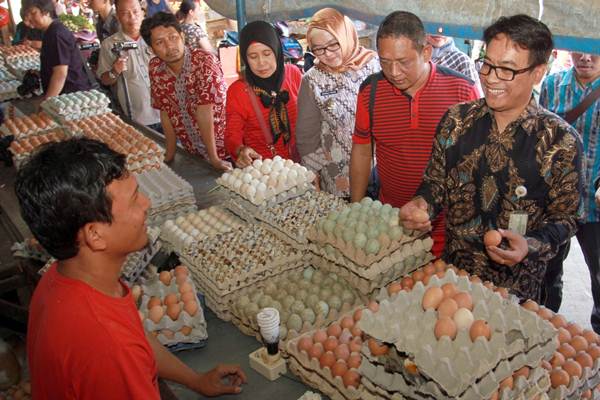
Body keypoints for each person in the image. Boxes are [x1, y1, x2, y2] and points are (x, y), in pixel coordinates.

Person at [16, 138, 246, 398]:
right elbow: (123, 344)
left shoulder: (65, 277)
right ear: (95, 235)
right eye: (135, 198)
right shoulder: (108, 347)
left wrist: (194, 380)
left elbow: (137, 335)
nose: (147, 203)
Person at [400, 14, 583, 302]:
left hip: (519, 291)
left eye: (507, 70)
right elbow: (434, 183)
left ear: (538, 72)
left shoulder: (560, 141)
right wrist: (422, 204)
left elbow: (566, 218)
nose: (491, 77)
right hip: (455, 278)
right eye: (487, 64)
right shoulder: (456, 121)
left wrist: (531, 244)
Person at [349, 11, 479, 256]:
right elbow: (362, 149)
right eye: (385, 62)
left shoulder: (462, 91)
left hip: (448, 231)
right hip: (392, 226)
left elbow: (474, 164)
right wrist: (356, 210)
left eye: (404, 62)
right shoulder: (371, 92)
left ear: (426, 52)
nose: (394, 72)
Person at [540, 51, 600, 329]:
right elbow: (539, 137)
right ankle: (545, 331)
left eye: (594, 51)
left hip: (595, 205)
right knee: (547, 274)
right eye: (580, 50)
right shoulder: (552, 85)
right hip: (556, 202)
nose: (586, 58)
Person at [295, 8, 379, 198]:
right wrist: (312, 172)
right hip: (339, 176)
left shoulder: (374, 67)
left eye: (334, 44)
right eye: (318, 48)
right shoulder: (313, 80)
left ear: (345, 35)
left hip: (379, 170)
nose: (328, 54)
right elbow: (307, 135)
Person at [142, 12, 230, 168]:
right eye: (160, 42)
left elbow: (204, 111)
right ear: (151, 49)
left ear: (182, 36)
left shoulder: (204, 62)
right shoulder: (155, 68)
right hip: (192, 152)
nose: (170, 46)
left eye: (173, 37)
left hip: (225, 151)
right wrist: (169, 154)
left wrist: (214, 159)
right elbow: (165, 111)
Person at [225, 20, 303, 168]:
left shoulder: (293, 74)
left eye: (267, 54)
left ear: (277, 51)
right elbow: (231, 134)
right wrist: (240, 149)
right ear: (245, 58)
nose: (261, 63)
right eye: (253, 57)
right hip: (263, 173)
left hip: (300, 167)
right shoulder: (238, 91)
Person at [97, 0, 161, 130]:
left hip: (169, 112)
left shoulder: (159, 36)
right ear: (117, 16)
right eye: (125, 13)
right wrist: (114, 71)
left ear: (143, 12)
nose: (132, 17)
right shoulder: (109, 45)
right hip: (138, 117)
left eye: (136, 12)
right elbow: (104, 79)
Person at [22, 0, 91, 98]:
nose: (30, 18)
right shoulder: (50, 31)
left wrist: (46, 102)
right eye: (27, 14)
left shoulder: (56, 33)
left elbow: (60, 74)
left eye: (33, 13)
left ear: (46, 11)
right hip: (66, 92)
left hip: (71, 93)